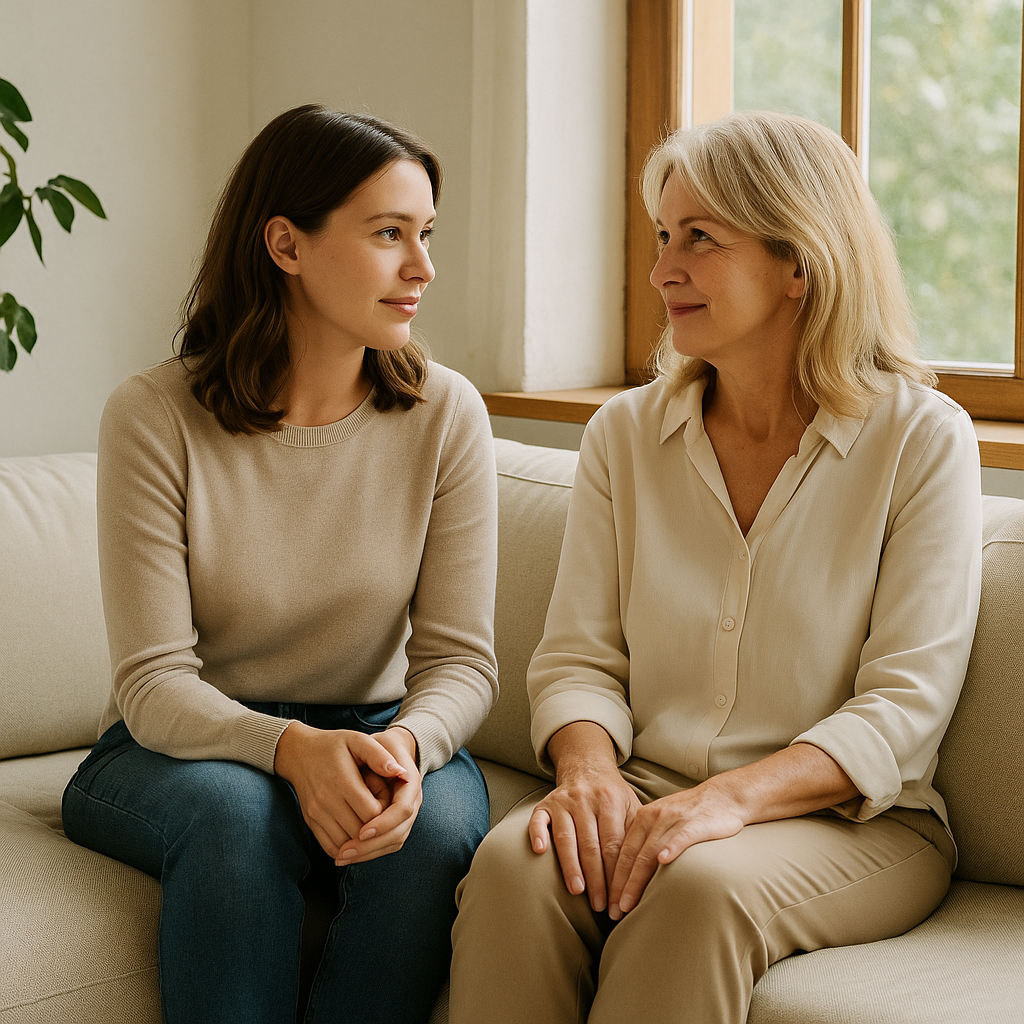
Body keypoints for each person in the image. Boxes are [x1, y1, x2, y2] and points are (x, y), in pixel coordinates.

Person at [448, 110, 982, 1024]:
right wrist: (589, 777)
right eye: (663, 235)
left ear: (800, 261)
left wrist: (726, 803)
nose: (661, 270)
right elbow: (578, 660)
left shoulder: (922, 439)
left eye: (700, 238)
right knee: (516, 863)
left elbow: (903, 707)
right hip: (652, 784)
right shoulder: (624, 433)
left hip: (855, 821)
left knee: (693, 888)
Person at [62, 105, 497, 1024]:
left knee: (442, 828)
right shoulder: (153, 416)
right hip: (179, 748)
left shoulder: (446, 414)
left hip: (375, 724)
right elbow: (152, 684)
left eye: (425, 235)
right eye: (389, 235)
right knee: (235, 813)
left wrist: (409, 750)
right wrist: (290, 751)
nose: (423, 268)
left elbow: (461, 663)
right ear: (286, 244)